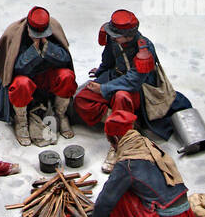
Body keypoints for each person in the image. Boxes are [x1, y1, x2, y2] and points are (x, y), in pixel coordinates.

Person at [83, 96, 202, 217]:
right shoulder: (147, 143)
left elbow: (104, 202)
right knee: (126, 189)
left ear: (115, 140)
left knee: (117, 198)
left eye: (110, 141)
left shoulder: (127, 164)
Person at [74, 9, 191, 151]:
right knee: (82, 99)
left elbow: (134, 81)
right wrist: (101, 71)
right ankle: (127, 121)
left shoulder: (144, 49)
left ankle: (120, 138)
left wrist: (104, 89)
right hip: (116, 76)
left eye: (117, 36)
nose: (113, 38)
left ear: (129, 36)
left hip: (138, 88)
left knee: (121, 97)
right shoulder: (114, 40)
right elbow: (108, 58)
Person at [0, 6, 76, 145]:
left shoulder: (54, 28)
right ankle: (21, 122)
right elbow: (14, 69)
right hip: (27, 81)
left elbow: (65, 59)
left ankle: (61, 114)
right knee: (21, 84)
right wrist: (33, 50)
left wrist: (48, 47)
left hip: (47, 78)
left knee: (66, 76)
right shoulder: (14, 33)